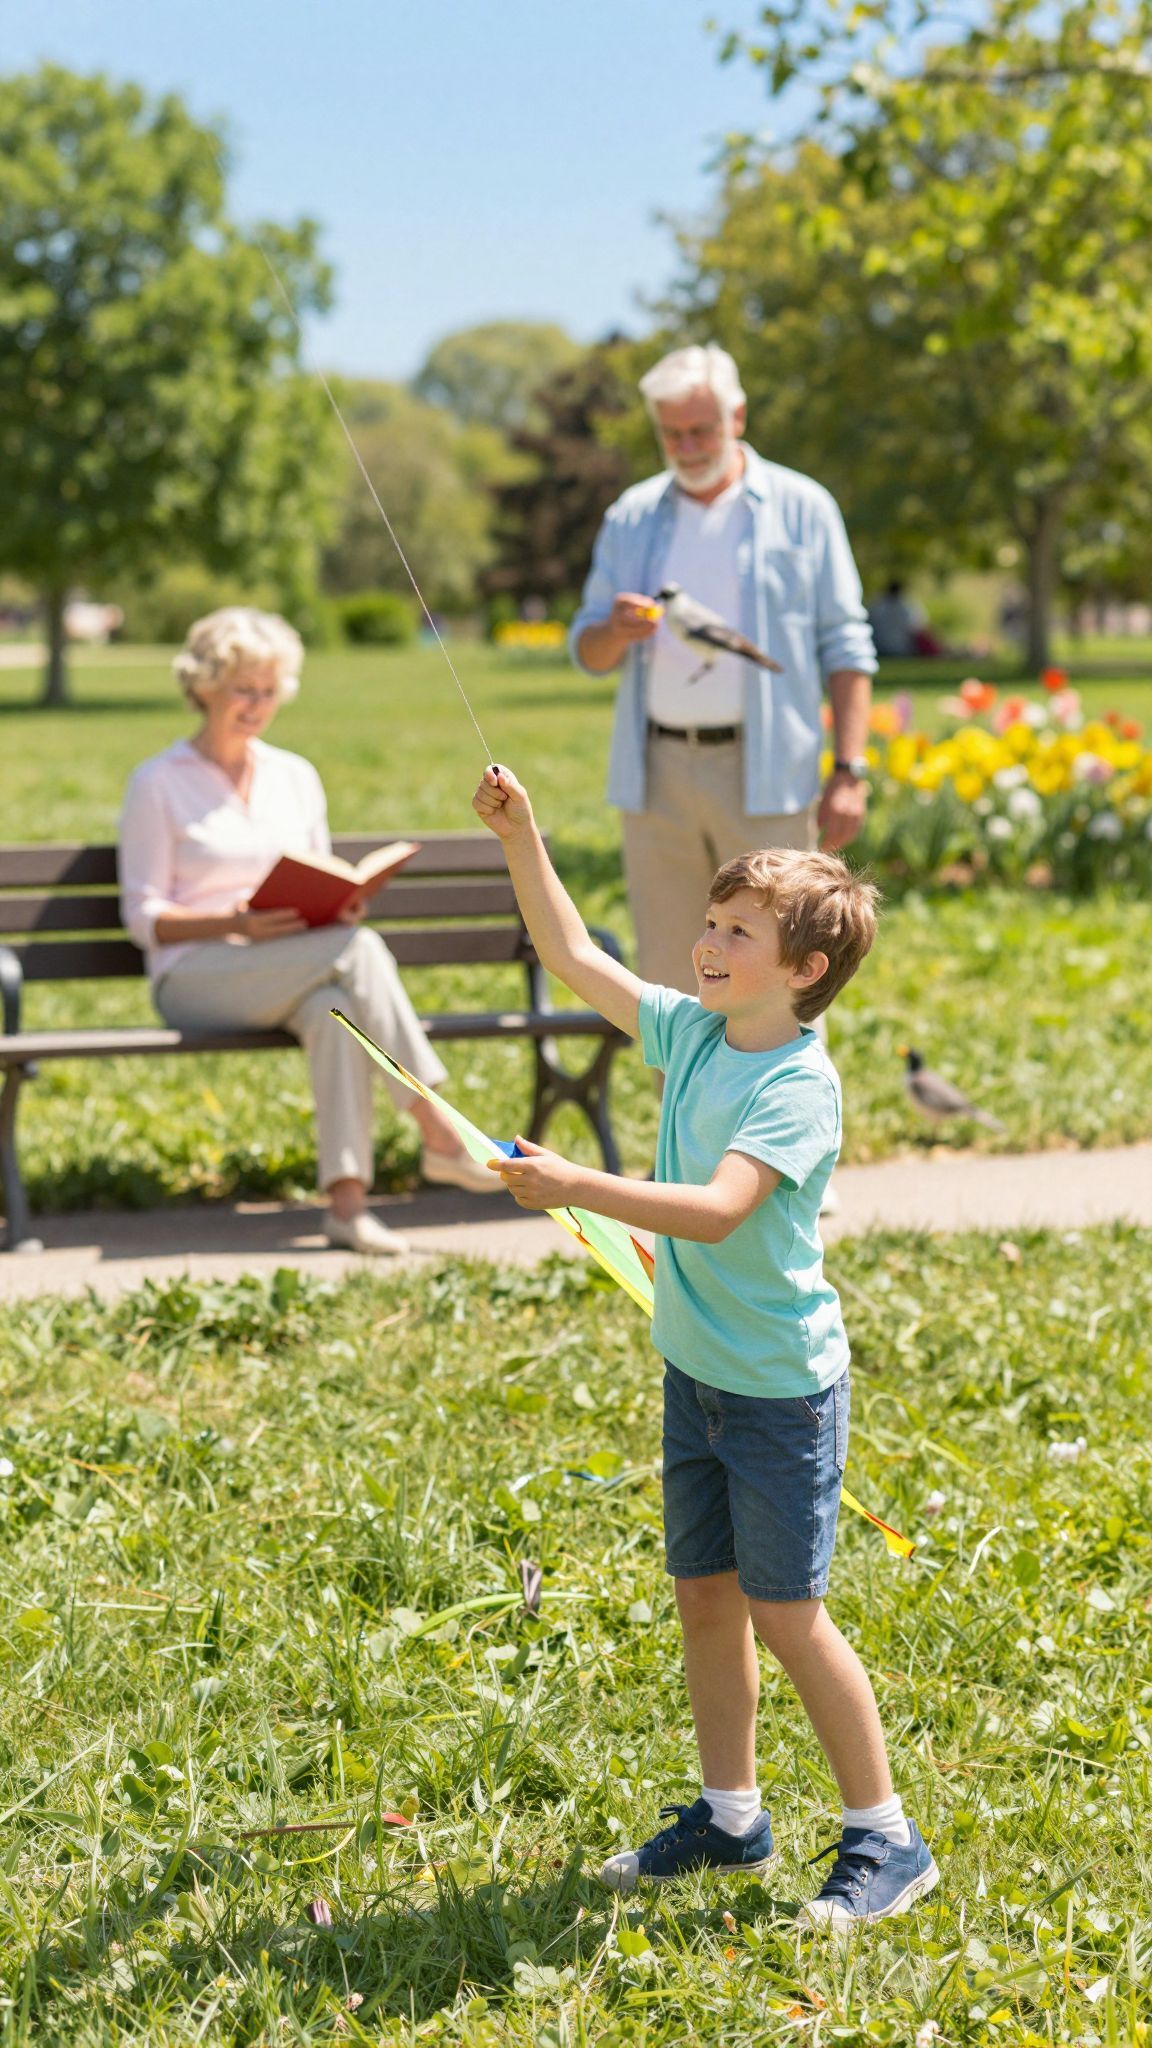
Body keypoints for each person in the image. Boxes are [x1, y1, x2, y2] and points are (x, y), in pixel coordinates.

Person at [471, 762, 938, 1926]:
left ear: (805, 970)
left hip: (779, 1392)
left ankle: (887, 1835)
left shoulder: (797, 1084)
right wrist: (524, 834)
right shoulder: (694, 1030)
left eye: (739, 931)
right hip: (700, 1374)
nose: (709, 942)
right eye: (712, 920)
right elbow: (573, 954)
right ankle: (732, 1816)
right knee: (706, 1599)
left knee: (788, 1615)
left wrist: (578, 1184)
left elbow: (723, 1207)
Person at [119, 607, 499, 1256]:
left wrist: (337, 906)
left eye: (269, 691)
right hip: (195, 977)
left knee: (335, 1009)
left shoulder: (294, 776)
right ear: (204, 687)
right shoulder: (157, 782)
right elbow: (143, 918)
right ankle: (439, 1129)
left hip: (301, 963)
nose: (257, 705)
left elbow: (319, 872)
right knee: (359, 952)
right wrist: (235, 923)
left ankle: (348, 1210)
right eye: (243, 689)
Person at [570, 342, 876, 996]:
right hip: (658, 775)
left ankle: (782, 1074)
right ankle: (681, 1074)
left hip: (767, 773)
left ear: (738, 416)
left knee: (782, 977)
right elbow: (587, 652)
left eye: (701, 430)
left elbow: (846, 645)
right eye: (671, 433)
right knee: (670, 980)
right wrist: (613, 631)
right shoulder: (631, 516)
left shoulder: (804, 507)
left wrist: (849, 771)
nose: (686, 447)